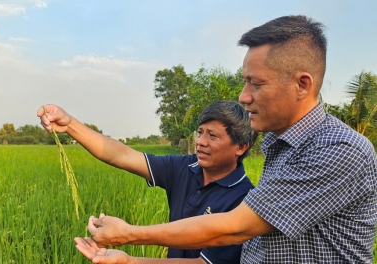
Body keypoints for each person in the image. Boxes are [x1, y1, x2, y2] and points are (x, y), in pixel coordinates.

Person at [82, 15, 377, 263]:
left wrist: (129, 234)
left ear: (302, 84)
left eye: (256, 84)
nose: (243, 96)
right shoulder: (279, 145)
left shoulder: (338, 148)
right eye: (245, 81)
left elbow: (236, 229)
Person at [37, 100, 258, 263]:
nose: (201, 142)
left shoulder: (245, 200)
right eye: (200, 132)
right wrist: (70, 126)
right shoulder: (185, 168)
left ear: (241, 147)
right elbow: (122, 155)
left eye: (213, 136)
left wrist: (130, 260)